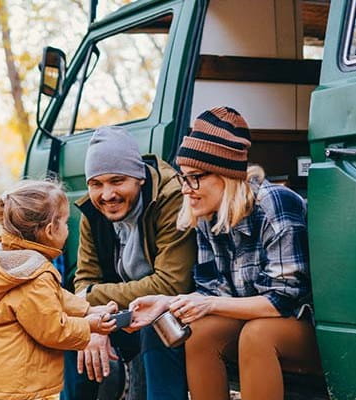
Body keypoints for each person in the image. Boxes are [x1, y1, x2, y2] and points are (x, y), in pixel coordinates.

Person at [125, 107, 320, 400]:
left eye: (194, 178)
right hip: (255, 321)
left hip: (306, 329)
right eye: (183, 178)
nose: (186, 189)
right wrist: (167, 303)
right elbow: (214, 291)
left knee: (258, 335)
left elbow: (283, 300)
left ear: (224, 174)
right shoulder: (206, 214)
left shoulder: (274, 205)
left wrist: (211, 304)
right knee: (202, 334)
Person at [62, 127, 194, 400]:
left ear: (139, 177)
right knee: (75, 334)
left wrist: (90, 300)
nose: (107, 194)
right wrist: (93, 321)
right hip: (123, 312)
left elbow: (170, 284)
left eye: (117, 181)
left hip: (175, 309)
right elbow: (85, 278)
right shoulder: (93, 210)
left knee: (159, 323)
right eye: (96, 183)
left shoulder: (171, 198)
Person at [0, 180, 120, 400]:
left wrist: (87, 310)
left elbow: (52, 296)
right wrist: (90, 326)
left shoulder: (12, 260)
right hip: (13, 381)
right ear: (49, 230)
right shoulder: (35, 275)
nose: (68, 229)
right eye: (65, 223)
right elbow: (52, 330)